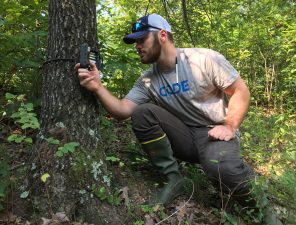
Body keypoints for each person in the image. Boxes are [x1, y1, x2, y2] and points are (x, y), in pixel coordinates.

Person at [76, 13, 282, 224]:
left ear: (162, 35)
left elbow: (240, 91)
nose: (137, 46)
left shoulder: (203, 59)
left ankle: (263, 210)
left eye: (142, 39)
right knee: (142, 112)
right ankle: (174, 179)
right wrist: (97, 87)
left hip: (215, 133)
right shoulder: (147, 80)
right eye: (135, 41)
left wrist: (229, 126)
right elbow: (122, 110)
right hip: (184, 136)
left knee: (223, 170)